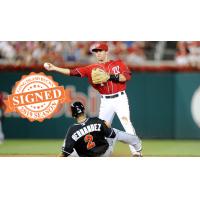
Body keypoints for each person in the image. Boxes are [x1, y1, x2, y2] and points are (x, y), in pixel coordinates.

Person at [44, 42, 142, 156]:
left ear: (106, 51)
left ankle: (136, 152)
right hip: (106, 100)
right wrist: (55, 68)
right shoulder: (91, 68)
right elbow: (73, 72)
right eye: (96, 52)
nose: (98, 54)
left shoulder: (118, 64)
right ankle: (104, 152)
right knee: (101, 127)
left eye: (100, 51)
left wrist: (108, 76)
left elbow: (125, 77)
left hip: (120, 98)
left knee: (126, 123)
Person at [60, 101, 142, 157]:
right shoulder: (96, 121)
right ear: (84, 110)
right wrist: (105, 125)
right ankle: (136, 143)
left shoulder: (72, 130)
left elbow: (65, 153)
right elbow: (111, 134)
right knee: (114, 132)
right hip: (105, 154)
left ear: (73, 115)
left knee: (67, 145)